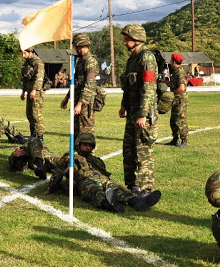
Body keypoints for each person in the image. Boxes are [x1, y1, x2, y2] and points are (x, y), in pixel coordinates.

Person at [43, 132, 162, 213]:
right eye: (85, 145)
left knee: (116, 187)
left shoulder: (95, 160)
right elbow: (58, 172)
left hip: (101, 178)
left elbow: (104, 173)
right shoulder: (70, 156)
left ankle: (136, 202)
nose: (87, 148)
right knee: (95, 191)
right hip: (83, 181)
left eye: (90, 146)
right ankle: (108, 204)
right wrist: (51, 187)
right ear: (78, 144)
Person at [119, 24, 158, 196]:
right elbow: (128, 87)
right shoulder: (132, 59)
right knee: (129, 149)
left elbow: (148, 88)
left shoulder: (147, 58)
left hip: (143, 113)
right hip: (132, 112)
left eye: (127, 39)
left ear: (137, 40)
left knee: (143, 151)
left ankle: (145, 188)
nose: (124, 42)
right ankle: (131, 185)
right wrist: (123, 105)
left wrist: (143, 114)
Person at [61, 33, 99, 136]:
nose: (76, 50)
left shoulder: (90, 61)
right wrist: (67, 98)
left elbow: (89, 84)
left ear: (83, 45)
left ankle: (89, 152)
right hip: (78, 100)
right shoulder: (80, 60)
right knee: (76, 131)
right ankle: (77, 152)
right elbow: (76, 82)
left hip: (86, 104)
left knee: (86, 134)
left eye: (78, 47)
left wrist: (80, 104)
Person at [20, 47, 45, 142]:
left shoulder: (37, 62)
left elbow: (39, 77)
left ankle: (40, 137)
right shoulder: (27, 62)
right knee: (29, 114)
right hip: (29, 91)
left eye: (24, 53)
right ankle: (33, 134)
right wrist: (23, 91)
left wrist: (34, 90)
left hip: (36, 93)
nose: (23, 56)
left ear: (30, 52)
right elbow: (25, 79)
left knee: (36, 115)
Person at [167, 52, 189, 147]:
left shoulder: (180, 72)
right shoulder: (175, 72)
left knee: (180, 120)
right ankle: (175, 139)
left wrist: (171, 93)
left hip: (180, 100)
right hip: (176, 100)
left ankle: (184, 140)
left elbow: (181, 88)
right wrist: (164, 82)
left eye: (171, 61)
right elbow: (173, 84)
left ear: (174, 62)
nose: (170, 63)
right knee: (173, 120)